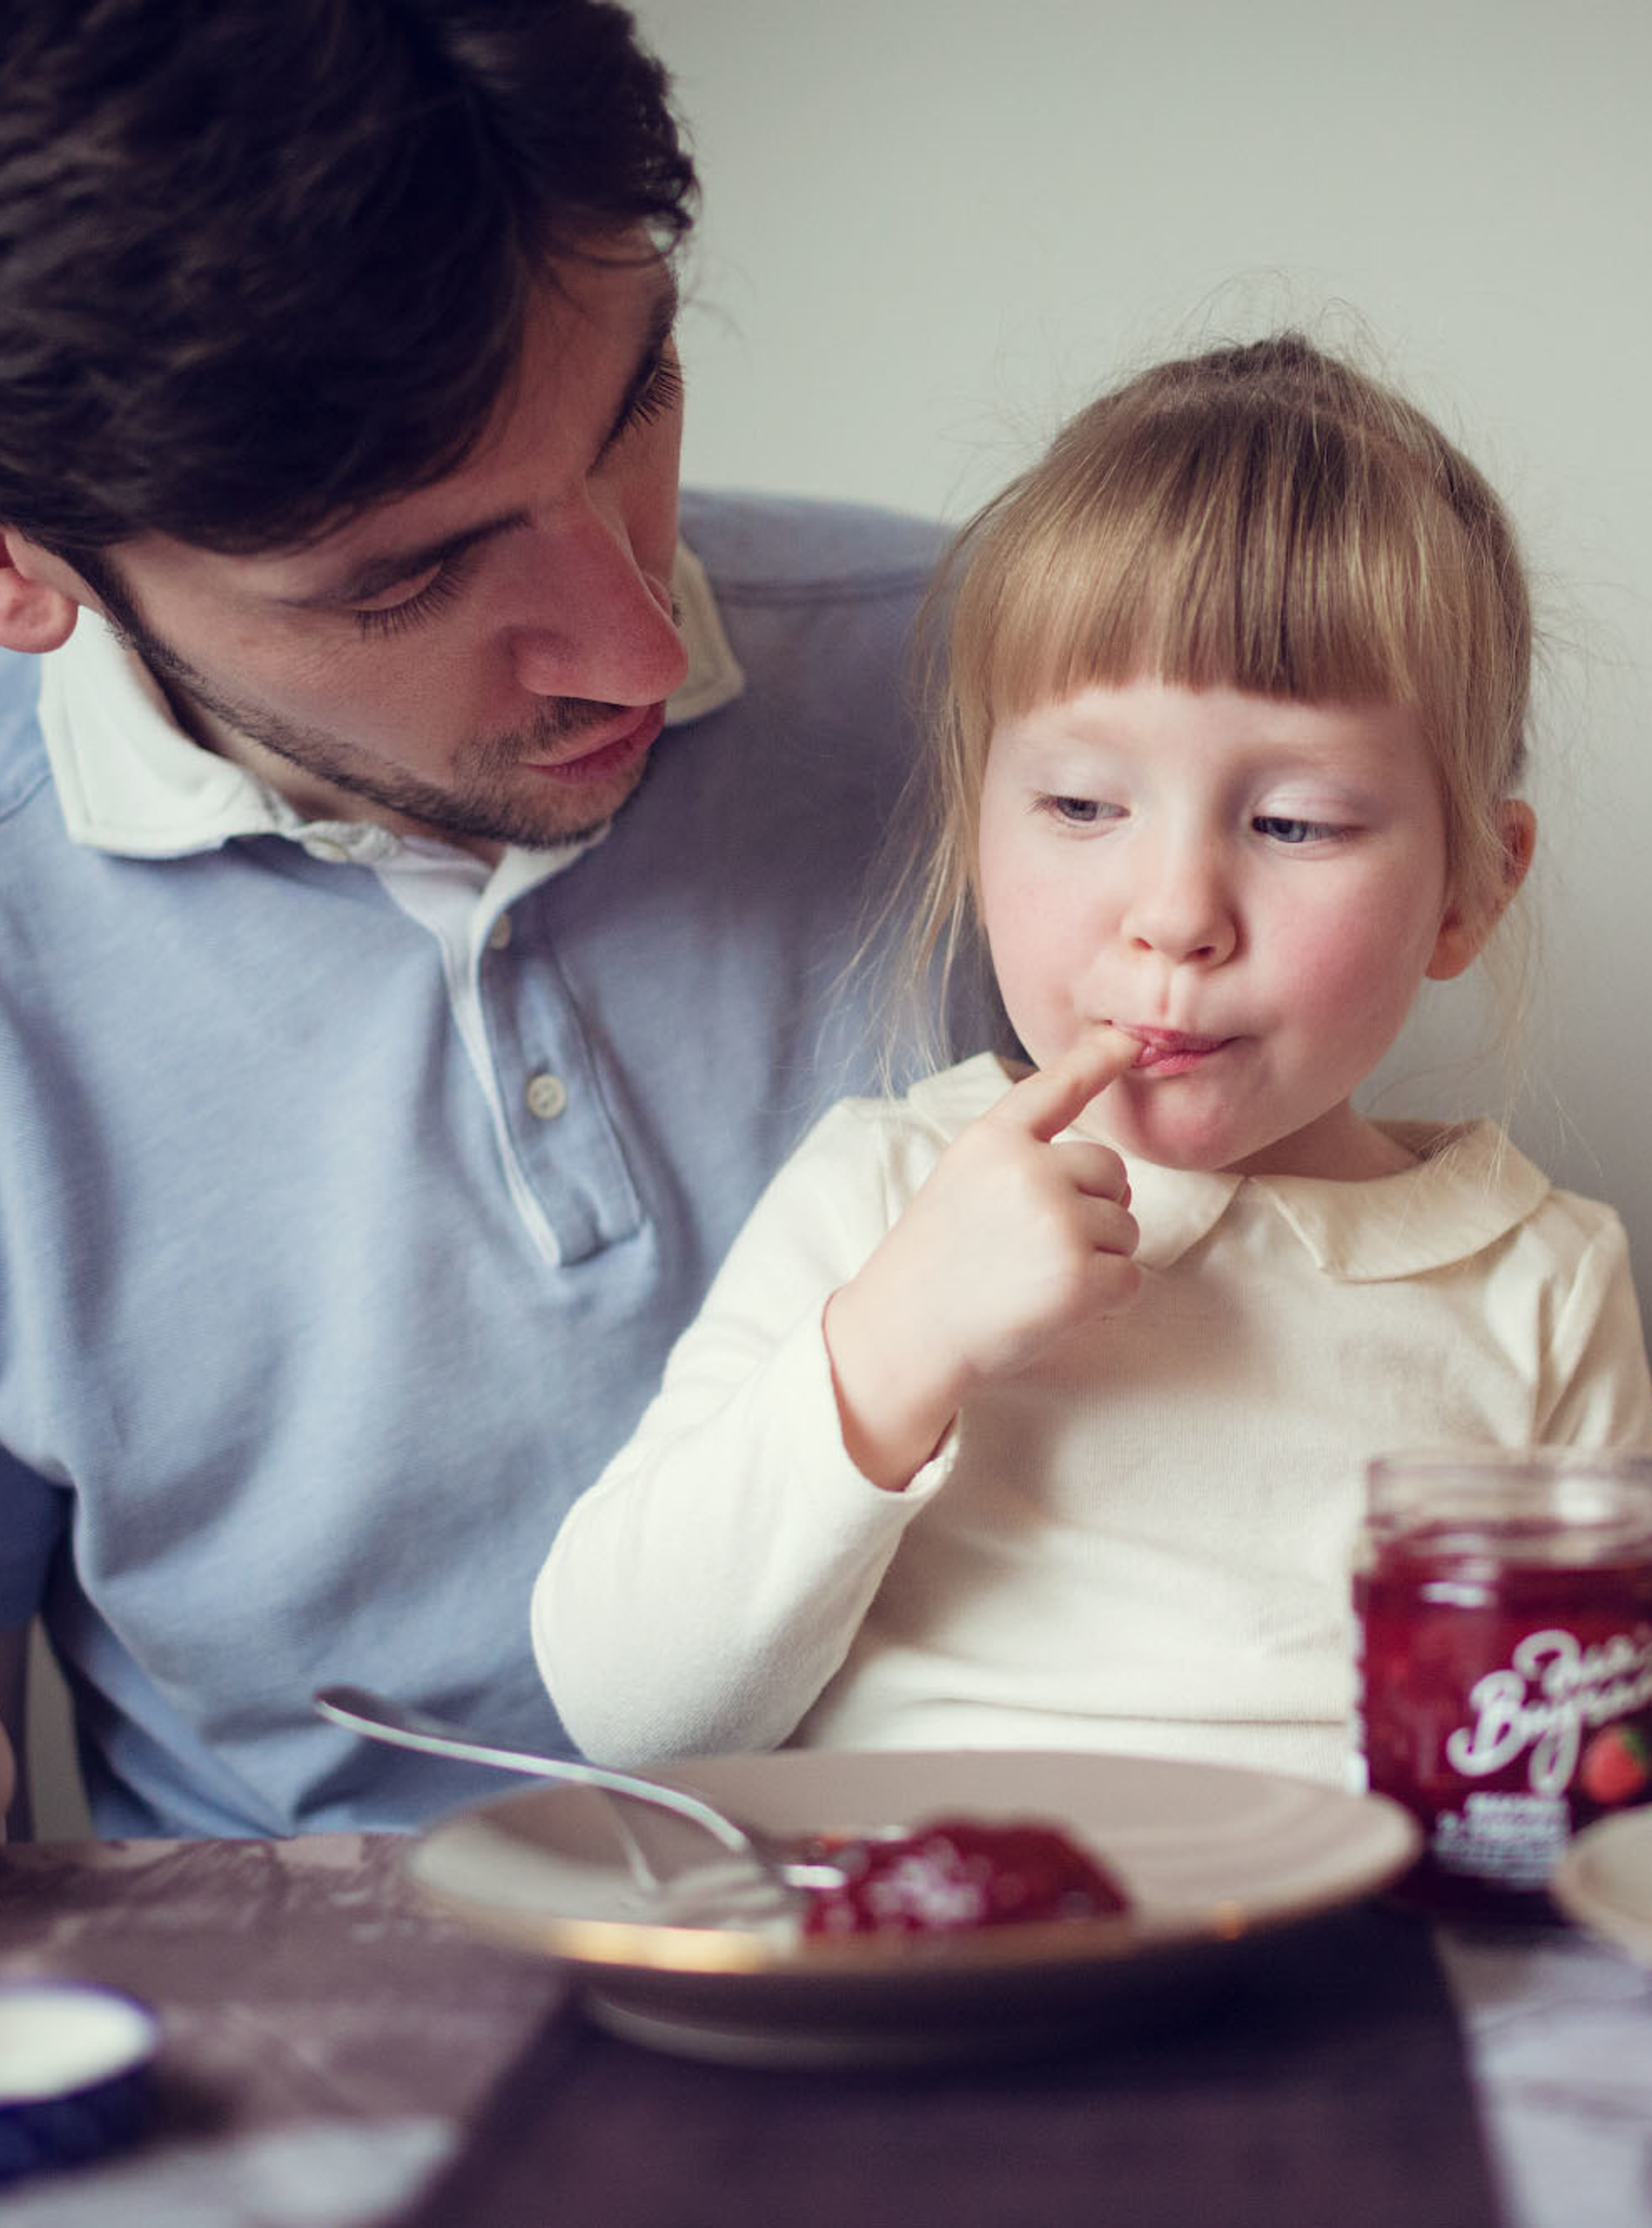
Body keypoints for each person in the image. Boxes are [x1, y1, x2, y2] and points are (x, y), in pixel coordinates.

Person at [0, 0, 1000, 1840]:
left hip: (1040, 1925)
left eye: (640, 404)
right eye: (406, 577)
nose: (640, 646)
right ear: (19, 568)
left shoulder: (1030, 703)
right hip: (320, 1992)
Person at [532, 336, 1652, 1784]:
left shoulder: (1534, 1279)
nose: (1176, 914)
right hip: (939, 1911)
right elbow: (629, 1712)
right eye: (1078, 805)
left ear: (1469, 893)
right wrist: (895, 1344)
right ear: (977, 832)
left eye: (1295, 823)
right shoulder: (889, 1194)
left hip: (1368, 1920)